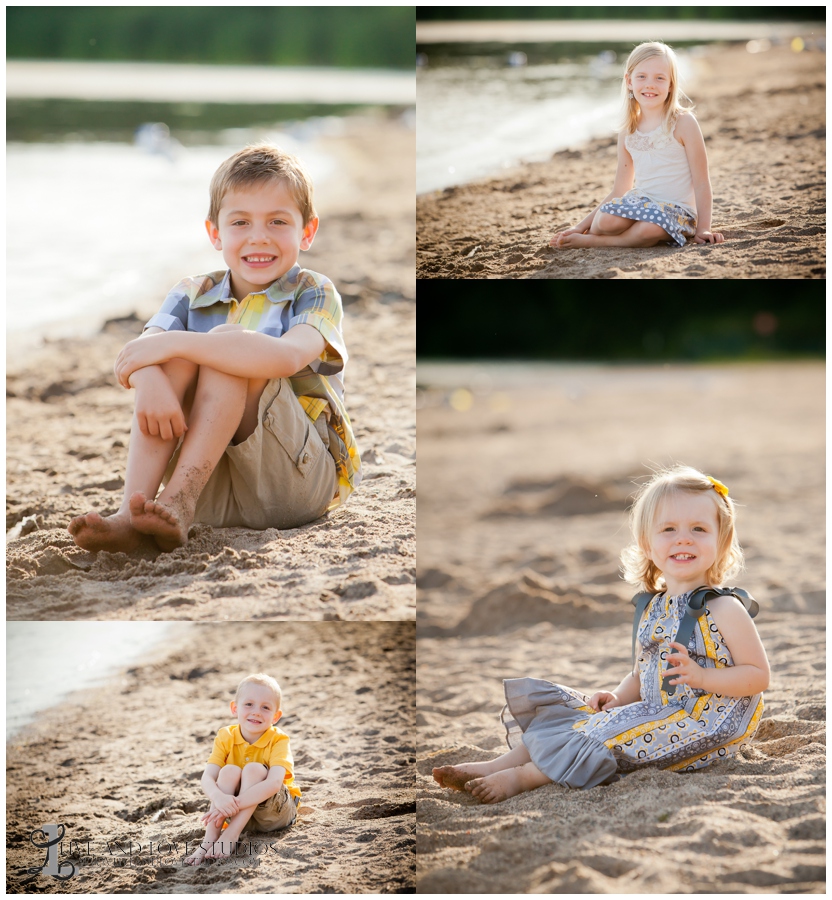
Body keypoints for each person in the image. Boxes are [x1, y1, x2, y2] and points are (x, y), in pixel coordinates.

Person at [68, 143, 361, 553]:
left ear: (307, 231)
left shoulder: (313, 291)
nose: (258, 237)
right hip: (210, 493)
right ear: (215, 233)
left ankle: (179, 498)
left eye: (278, 221)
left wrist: (173, 345)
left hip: (293, 485)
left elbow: (288, 356)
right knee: (183, 356)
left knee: (226, 344)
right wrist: (152, 379)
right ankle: (133, 513)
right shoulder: (191, 293)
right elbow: (135, 356)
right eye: (240, 222)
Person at [433, 465, 770, 804]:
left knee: (610, 735)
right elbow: (643, 672)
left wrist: (702, 676)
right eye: (668, 529)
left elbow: (757, 676)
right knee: (582, 718)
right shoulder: (653, 607)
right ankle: (497, 764)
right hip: (660, 712)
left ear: (721, 542)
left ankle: (525, 776)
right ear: (648, 546)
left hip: (709, 722)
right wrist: (619, 697)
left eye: (699, 528)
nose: (684, 538)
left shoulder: (724, 608)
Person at [550, 41, 724, 249]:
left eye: (659, 78)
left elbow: (702, 182)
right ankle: (601, 235)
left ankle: (593, 242)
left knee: (648, 229)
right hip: (642, 203)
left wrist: (704, 228)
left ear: (670, 84)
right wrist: (579, 227)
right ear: (629, 81)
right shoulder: (628, 130)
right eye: (641, 76)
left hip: (678, 211)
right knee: (605, 220)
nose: (650, 84)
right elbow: (619, 189)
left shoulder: (684, 123)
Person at [185, 673, 300, 864]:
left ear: (276, 716)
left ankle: (230, 835)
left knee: (254, 769)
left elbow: (273, 784)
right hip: (240, 815)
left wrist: (230, 805)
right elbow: (207, 778)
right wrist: (219, 798)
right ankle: (209, 840)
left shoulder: (279, 739)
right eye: (249, 704)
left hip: (275, 814)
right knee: (228, 771)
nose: (256, 712)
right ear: (234, 708)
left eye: (265, 707)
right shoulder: (225, 735)